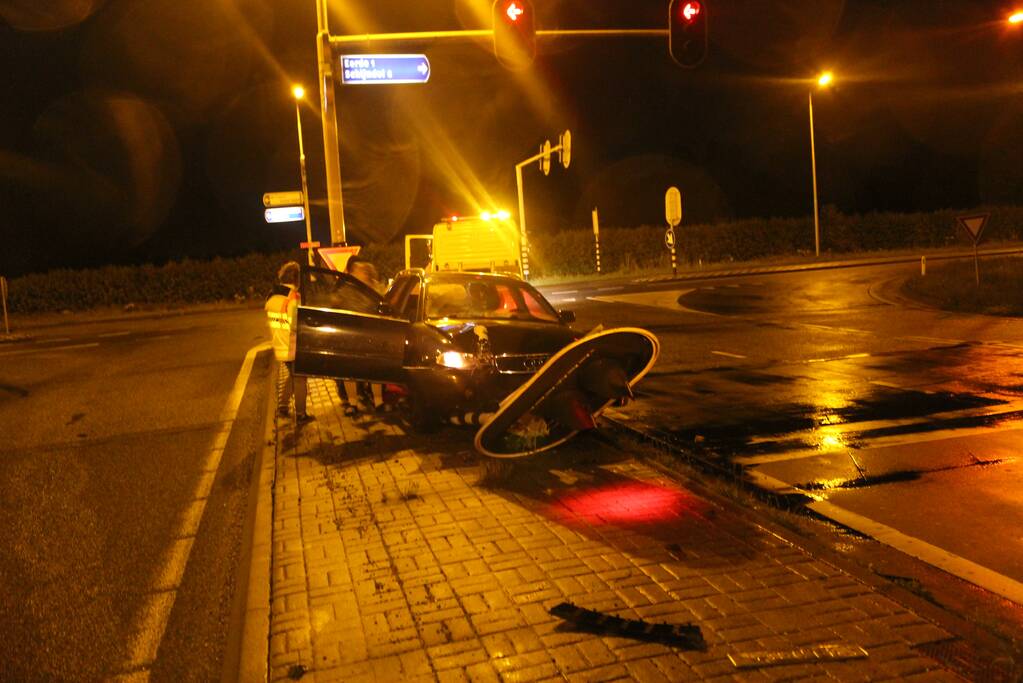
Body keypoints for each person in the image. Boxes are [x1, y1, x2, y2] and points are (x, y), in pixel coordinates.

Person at [265, 261, 313, 424]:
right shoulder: (293, 298)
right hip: (292, 345)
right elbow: (295, 326)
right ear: (297, 279)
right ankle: (301, 414)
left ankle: (283, 406)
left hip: (279, 345)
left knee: (293, 375)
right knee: (300, 378)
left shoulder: (272, 297)